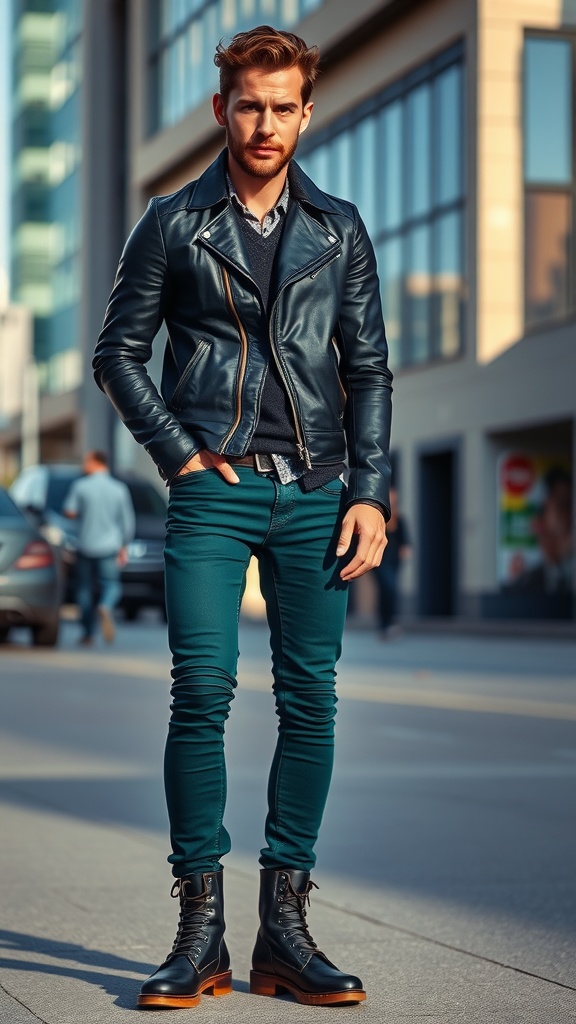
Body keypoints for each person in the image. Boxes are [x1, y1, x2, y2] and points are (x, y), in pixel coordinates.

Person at [93, 26, 392, 1009]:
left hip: (316, 490)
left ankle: (286, 929)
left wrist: (370, 493)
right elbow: (119, 352)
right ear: (224, 109)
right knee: (202, 690)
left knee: (312, 700)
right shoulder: (174, 222)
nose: (265, 124)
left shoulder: (339, 229)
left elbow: (367, 369)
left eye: (283, 106)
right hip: (213, 495)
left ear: (308, 112)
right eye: (249, 105)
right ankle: (200, 929)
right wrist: (182, 452)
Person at [63, 450, 135, 645]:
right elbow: (127, 522)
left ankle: (87, 633)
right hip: (110, 546)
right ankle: (106, 605)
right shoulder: (119, 488)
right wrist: (124, 545)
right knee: (111, 584)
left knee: (84, 589)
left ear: (95, 462)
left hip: (85, 544)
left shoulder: (80, 486)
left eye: (86, 461)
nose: (83, 465)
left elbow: (70, 512)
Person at [373, 487, 411, 637]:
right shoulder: (378, 517)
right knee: (388, 588)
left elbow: (405, 540)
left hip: (395, 560)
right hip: (380, 560)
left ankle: (388, 622)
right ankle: (385, 623)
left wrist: (405, 549)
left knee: (391, 590)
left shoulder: (399, 518)